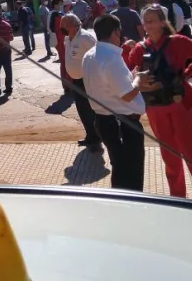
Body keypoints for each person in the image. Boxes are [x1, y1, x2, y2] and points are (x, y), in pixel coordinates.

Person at [126, 6, 192, 204]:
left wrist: (187, 73)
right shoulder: (139, 48)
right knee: (170, 157)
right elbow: (129, 70)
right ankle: (178, 199)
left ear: (163, 23)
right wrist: (126, 50)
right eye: (145, 21)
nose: (147, 25)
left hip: (182, 106)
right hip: (156, 109)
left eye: (152, 20)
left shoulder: (177, 42)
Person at [82, 15, 149, 191]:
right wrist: (140, 81)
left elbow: (110, 85)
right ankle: (130, 210)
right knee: (131, 175)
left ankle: (121, 207)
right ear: (115, 32)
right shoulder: (111, 59)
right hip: (122, 124)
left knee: (120, 169)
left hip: (105, 121)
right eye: (120, 33)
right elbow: (127, 95)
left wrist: (132, 77)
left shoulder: (89, 55)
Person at [61, 14, 102, 153]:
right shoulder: (68, 38)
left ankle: (97, 140)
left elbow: (98, 56)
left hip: (88, 80)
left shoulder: (86, 38)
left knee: (92, 110)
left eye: (63, 26)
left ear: (72, 25)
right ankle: (90, 136)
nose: (61, 29)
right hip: (76, 81)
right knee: (83, 111)